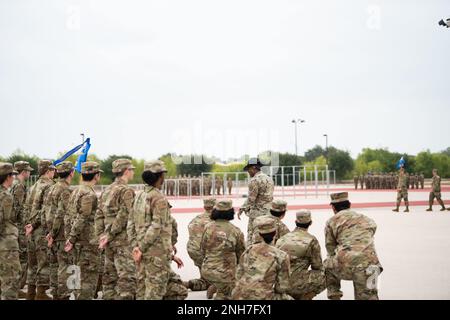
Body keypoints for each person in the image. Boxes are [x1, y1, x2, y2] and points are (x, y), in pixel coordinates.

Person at [127, 160, 187, 300]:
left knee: (142, 290)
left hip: (142, 252)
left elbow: (130, 223)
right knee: (155, 292)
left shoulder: (139, 196)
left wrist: (135, 246)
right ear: (159, 177)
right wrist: (140, 248)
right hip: (156, 254)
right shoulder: (158, 198)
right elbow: (156, 226)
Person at [324, 192, 383, 300]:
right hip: (372, 266)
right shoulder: (366, 218)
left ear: (333, 207)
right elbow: (372, 229)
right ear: (349, 204)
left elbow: (330, 247)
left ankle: (334, 295)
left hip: (347, 267)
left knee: (327, 263)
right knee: (370, 296)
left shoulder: (331, 221)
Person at [96, 159, 137, 300]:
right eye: (131, 169)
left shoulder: (107, 190)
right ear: (126, 171)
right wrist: (110, 234)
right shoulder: (126, 191)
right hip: (122, 241)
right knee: (127, 278)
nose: (133, 172)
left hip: (107, 242)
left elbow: (99, 214)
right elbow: (125, 215)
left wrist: (101, 235)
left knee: (109, 279)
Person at [64, 161, 102, 300]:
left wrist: (69, 237)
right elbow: (82, 217)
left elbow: (68, 215)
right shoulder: (88, 194)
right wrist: (72, 238)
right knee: (87, 282)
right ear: (96, 175)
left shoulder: (76, 191)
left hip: (77, 242)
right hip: (87, 243)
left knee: (76, 279)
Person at [232, 215, 291, 300]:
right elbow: (282, 287)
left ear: (259, 234)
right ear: (275, 233)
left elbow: (238, 275)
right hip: (261, 296)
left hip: (240, 295)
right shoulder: (281, 255)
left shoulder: (249, 250)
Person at [200, 199, 245, 300]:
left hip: (207, 269)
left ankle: (218, 286)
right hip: (225, 273)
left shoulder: (208, 227)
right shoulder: (236, 231)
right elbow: (241, 255)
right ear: (230, 213)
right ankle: (222, 291)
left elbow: (202, 249)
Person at [276, 210, 326, 300]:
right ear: (310, 223)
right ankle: (306, 297)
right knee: (329, 272)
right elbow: (317, 266)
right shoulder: (311, 240)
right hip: (297, 283)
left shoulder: (282, 239)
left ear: (296, 222)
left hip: (280, 283)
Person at [25, 160, 55, 300]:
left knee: (32, 264)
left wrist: (29, 225)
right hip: (40, 229)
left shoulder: (33, 186)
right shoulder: (49, 186)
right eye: (53, 170)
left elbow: (27, 208)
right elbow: (45, 211)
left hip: (30, 230)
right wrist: (36, 225)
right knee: (43, 263)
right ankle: (41, 294)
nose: (54, 173)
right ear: (48, 171)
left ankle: (31, 293)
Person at [44, 161, 74, 300]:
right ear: (71, 173)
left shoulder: (52, 187)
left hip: (52, 232)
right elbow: (61, 213)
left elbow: (46, 210)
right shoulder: (65, 190)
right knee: (65, 266)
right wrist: (54, 232)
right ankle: (64, 295)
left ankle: (56, 293)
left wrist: (49, 232)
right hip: (61, 233)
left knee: (55, 266)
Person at [184, 197, 216, 298]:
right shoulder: (215, 221)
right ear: (215, 207)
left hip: (193, 252)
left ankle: (188, 284)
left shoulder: (195, 219)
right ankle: (216, 285)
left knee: (205, 279)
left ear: (204, 207)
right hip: (207, 255)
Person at [10, 161, 33, 297]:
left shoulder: (13, 184)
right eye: (28, 170)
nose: (29, 173)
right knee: (22, 258)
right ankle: (17, 288)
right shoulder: (19, 186)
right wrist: (25, 225)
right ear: (23, 171)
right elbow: (18, 209)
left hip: (15, 226)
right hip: (19, 227)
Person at [238, 158, 274, 244]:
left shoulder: (254, 180)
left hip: (257, 214)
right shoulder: (269, 179)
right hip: (269, 213)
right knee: (267, 236)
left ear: (254, 167)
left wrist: (242, 209)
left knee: (252, 237)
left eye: (249, 169)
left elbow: (251, 199)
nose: (248, 171)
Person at [0, 163, 21, 300]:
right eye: (12, 175)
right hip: (6, 245)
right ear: (8, 176)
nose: (14, 178)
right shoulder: (5, 196)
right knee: (11, 280)